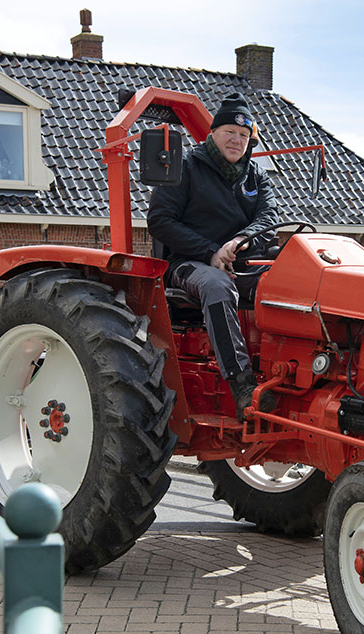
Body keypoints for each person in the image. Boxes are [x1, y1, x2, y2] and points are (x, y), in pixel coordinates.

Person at [148, 92, 278, 419]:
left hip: (243, 258)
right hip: (189, 263)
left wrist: (241, 240)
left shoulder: (256, 175)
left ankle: (285, 372)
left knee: (289, 281)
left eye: (244, 136)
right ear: (213, 134)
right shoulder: (186, 168)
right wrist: (211, 252)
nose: (237, 140)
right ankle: (242, 384)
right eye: (230, 133)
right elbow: (160, 221)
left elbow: (269, 218)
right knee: (217, 285)